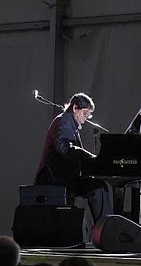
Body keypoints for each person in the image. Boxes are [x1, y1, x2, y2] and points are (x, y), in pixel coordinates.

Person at [35, 93, 112, 222]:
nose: (87, 117)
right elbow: (64, 147)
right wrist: (92, 158)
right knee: (98, 186)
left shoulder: (68, 121)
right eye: (85, 113)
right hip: (53, 177)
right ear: (75, 108)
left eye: (89, 114)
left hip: (62, 175)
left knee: (97, 186)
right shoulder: (65, 120)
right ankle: (106, 228)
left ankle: (106, 227)